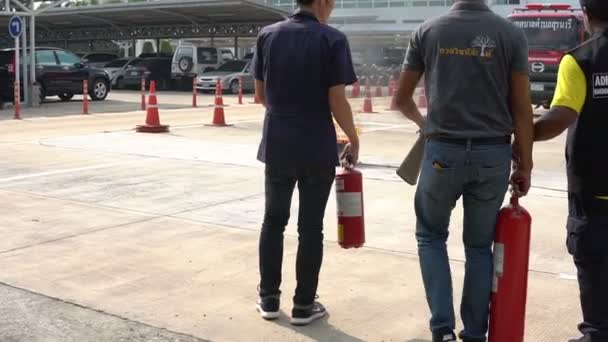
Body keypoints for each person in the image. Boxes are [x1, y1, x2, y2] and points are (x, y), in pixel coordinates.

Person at [394, 1, 534, 341]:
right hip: (492, 154)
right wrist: (525, 163)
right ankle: (474, 334)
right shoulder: (510, 35)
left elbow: (401, 99)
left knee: (430, 236)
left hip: (442, 151)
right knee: (478, 246)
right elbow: (521, 107)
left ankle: (442, 329)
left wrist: (424, 124)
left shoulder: (427, 31)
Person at [251, 0, 359, 326]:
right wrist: (353, 138)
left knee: (273, 222)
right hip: (316, 147)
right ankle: (303, 305)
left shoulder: (268, 35)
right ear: (323, 1)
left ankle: (269, 299)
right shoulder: (332, 39)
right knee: (310, 228)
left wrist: (286, 114)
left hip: (278, 144)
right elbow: (336, 99)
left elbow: (260, 95)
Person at [533, 1, 608, 341]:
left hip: (595, 190)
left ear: (585, 15)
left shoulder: (580, 59)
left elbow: (559, 118)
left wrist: (522, 133)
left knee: (594, 265)